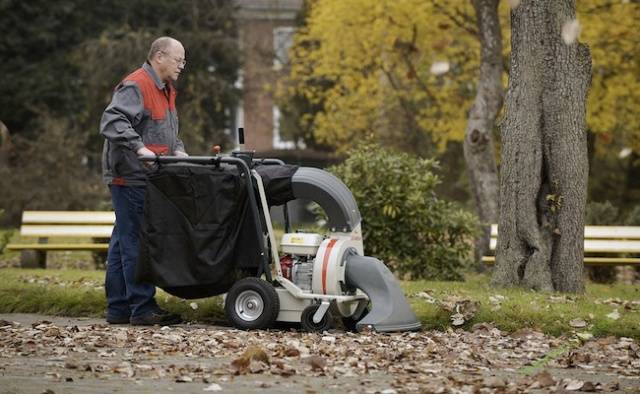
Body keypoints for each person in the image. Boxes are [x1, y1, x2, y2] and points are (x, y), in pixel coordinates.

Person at [100, 37, 188, 325]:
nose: (181, 66)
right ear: (159, 57)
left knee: (121, 241)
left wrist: (178, 148)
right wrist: (139, 148)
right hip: (130, 176)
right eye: (178, 60)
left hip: (146, 177)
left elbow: (164, 129)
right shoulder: (137, 84)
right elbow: (112, 121)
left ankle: (119, 308)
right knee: (134, 241)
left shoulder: (165, 90)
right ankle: (142, 308)